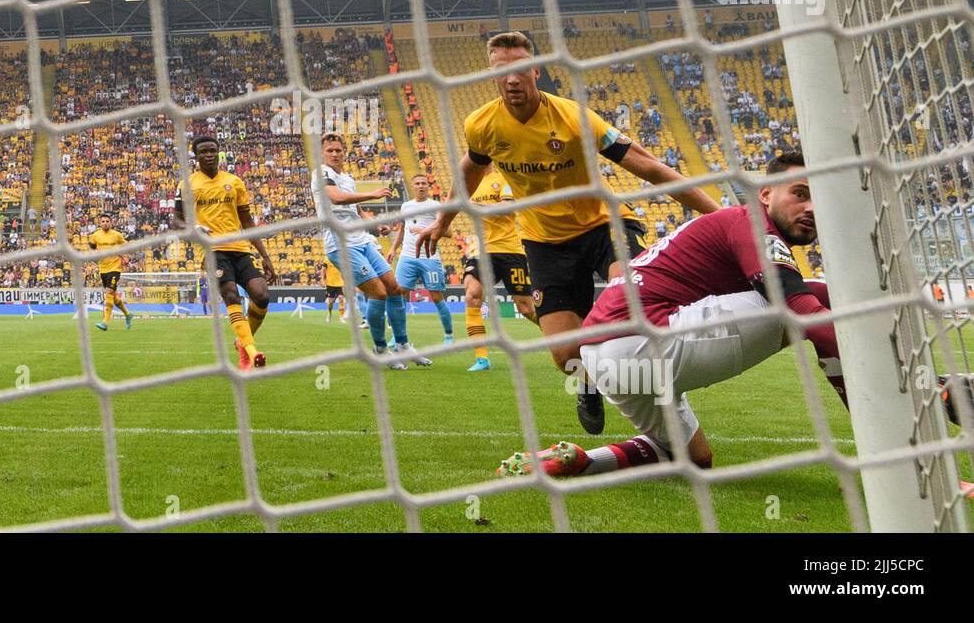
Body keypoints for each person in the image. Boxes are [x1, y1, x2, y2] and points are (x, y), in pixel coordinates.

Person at [496, 151, 973, 487]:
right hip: (645, 340)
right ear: (765, 195)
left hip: (608, 361)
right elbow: (801, 311)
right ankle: (914, 417)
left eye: (819, 201)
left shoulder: (735, 230)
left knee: (691, 458)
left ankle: (579, 461)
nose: (810, 209)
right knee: (816, 302)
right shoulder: (749, 223)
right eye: (800, 193)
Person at [417, 31, 719, 433]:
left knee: (628, 299)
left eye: (520, 69)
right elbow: (470, 169)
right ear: (492, 75)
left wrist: (721, 215)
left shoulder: (574, 118)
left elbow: (646, 165)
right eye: (501, 71)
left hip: (603, 225)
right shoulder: (483, 126)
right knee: (565, 356)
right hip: (544, 243)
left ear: (536, 70)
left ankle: (664, 389)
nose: (511, 80)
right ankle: (590, 384)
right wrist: (444, 219)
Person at [312, 133, 430, 369]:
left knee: (395, 288)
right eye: (330, 151)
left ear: (344, 152)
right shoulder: (321, 174)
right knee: (378, 293)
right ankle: (380, 349)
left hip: (362, 239)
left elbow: (356, 209)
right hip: (341, 243)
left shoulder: (347, 177)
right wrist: (373, 194)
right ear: (322, 153)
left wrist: (375, 225)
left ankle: (403, 345)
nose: (335, 154)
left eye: (338, 150)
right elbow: (335, 198)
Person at [173, 136, 278, 370]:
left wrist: (265, 255)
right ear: (196, 156)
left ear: (219, 154)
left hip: (240, 249)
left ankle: (242, 343)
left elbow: (247, 221)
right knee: (231, 296)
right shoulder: (186, 185)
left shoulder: (235, 182)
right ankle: (251, 352)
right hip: (212, 251)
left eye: (213, 151)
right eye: (203, 152)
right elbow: (176, 220)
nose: (209, 155)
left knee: (262, 296)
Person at [461, 165, 538, 371]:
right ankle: (481, 359)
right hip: (481, 250)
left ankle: (563, 336)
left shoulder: (504, 178)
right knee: (473, 295)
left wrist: (472, 205)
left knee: (526, 308)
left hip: (510, 250)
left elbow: (505, 209)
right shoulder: (470, 183)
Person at [389, 174, 455, 345]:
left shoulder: (435, 206)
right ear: (412, 186)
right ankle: (398, 336)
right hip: (407, 257)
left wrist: (425, 230)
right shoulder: (406, 206)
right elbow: (402, 231)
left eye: (423, 183)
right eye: (417, 183)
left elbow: (448, 232)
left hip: (430, 257)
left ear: (428, 186)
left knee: (436, 295)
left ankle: (448, 335)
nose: (420, 186)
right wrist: (392, 249)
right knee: (400, 294)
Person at [89, 213, 133, 331]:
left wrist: (124, 257)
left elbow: (125, 247)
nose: (105, 223)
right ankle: (128, 314)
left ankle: (105, 322)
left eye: (107, 221)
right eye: (103, 221)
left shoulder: (117, 235)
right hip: (103, 268)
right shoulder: (95, 236)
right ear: (99, 223)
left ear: (111, 222)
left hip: (115, 267)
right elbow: (92, 248)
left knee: (108, 292)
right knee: (112, 296)